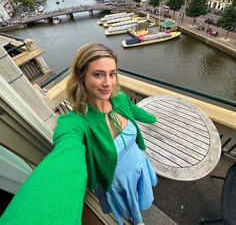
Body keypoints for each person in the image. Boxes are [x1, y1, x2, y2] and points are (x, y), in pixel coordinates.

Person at [1, 43, 157, 225]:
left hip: (138, 162)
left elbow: (135, 111)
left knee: (141, 198)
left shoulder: (120, 99)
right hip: (115, 180)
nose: (108, 83)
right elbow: (66, 151)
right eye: (98, 74)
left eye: (112, 74)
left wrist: (153, 118)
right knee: (131, 209)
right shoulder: (76, 122)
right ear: (81, 77)